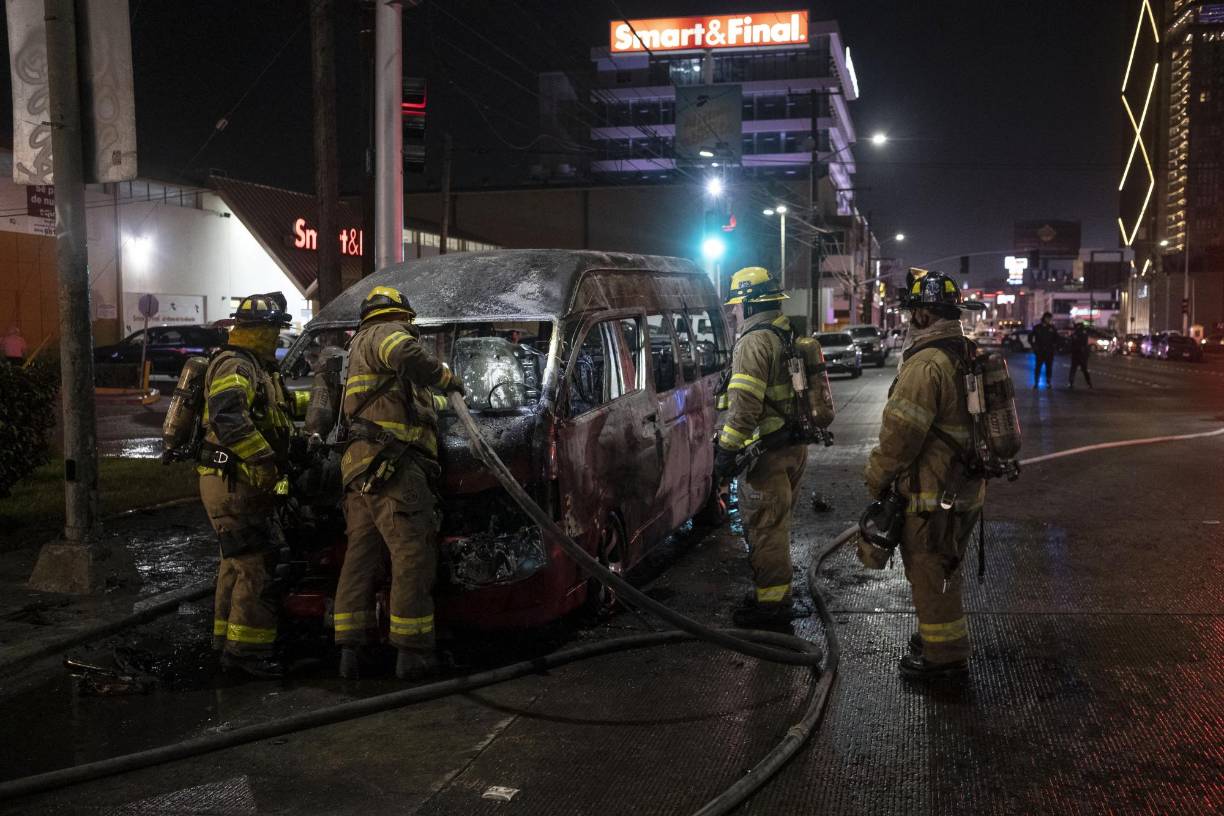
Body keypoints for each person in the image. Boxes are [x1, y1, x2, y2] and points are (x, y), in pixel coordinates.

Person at [334, 286, 464, 681]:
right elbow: (408, 355)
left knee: (361, 557)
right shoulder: (386, 334)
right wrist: (446, 376)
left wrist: (449, 399)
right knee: (412, 556)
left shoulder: (362, 347)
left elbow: (418, 404)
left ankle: (350, 653)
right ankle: (413, 654)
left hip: (361, 469)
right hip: (395, 468)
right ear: (401, 316)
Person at [864, 271, 986, 680]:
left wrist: (876, 477)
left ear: (921, 314)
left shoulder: (926, 364)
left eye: (911, 311)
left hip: (932, 492)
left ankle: (944, 659)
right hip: (966, 488)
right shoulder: (967, 351)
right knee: (947, 566)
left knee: (929, 570)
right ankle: (936, 639)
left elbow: (900, 436)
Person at [713, 266, 831, 628]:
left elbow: (745, 406)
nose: (734, 313)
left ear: (748, 306)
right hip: (793, 448)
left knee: (766, 529)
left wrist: (726, 452)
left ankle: (772, 610)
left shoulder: (753, 342)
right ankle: (774, 598)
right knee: (776, 525)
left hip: (765, 455)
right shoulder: (787, 333)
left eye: (736, 306)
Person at [199, 292, 306, 679]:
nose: (276, 337)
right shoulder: (236, 365)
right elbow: (229, 418)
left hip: (236, 481)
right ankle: (247, 656)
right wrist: (263, 459)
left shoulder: (257, 369)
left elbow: (275, 414)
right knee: (258, 565)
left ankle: (225, 644)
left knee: (236, 564)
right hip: (234, 481)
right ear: (257, 330)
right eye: (274, 330)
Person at [1028, 312, 1058, 389]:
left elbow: (1057, 338)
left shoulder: (1052, 328)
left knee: (1049, 368)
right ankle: (1036, 383)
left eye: (1050, 319)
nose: (1049, 320)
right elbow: (1030, 338)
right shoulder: (1037, 328)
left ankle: (1048, 382)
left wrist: (1054, 347)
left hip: (1049, 351)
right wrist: (1034, 347)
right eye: (1048, 318)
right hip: (1040, 351)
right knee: (1038, 367)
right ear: (1044, 318)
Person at [1068, 322, 1093, 388]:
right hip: (1079, 354)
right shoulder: (1082, 334)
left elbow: (1075, 343)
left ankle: (1071, 383)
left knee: (1076, 369)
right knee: (1082, 369)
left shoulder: (1078, 334)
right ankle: (1088, 383)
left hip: (1079, 354)